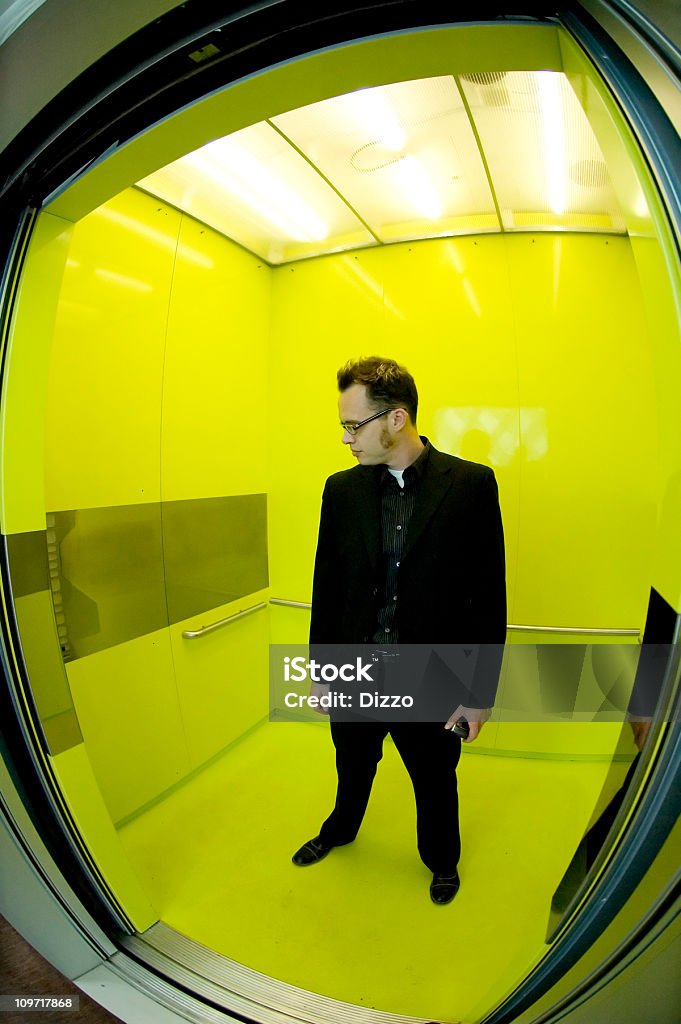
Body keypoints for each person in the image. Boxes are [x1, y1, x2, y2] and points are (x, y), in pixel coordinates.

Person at [292, 357, 506, 904]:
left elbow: (488, 595)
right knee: (352, 764)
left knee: (435, 781)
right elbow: (328, 585)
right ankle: (340, 829)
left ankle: (442, 861)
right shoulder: (340, 491)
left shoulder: (471, 485)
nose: (345, 439)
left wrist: (479, 693)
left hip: (432, 677)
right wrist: (321, 669)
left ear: (395, 419)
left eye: (352, 425)